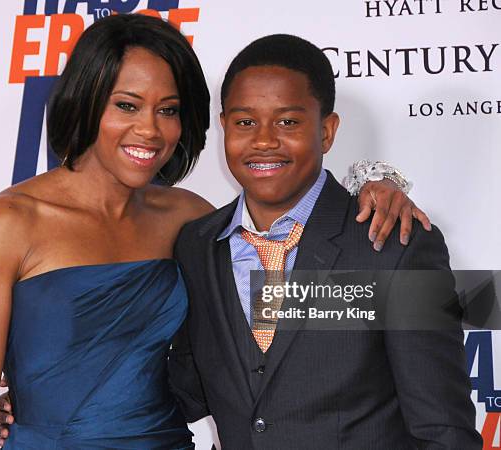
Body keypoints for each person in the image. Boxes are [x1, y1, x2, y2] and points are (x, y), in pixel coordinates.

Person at [0, 15, 427, 449]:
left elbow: (291, 311)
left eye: (168, 110)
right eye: (127, 105)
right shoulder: (6, 225)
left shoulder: (189, 219)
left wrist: (376, 180)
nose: (149, 130)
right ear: (85, 101)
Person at [166, 35, 482, 449]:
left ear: (327, 131)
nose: (263, 140)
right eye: (245, 122)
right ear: (224, 126)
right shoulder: (196, 245)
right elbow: (190, 392)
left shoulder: (395, 245)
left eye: (288, 122)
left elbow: (444, 432)